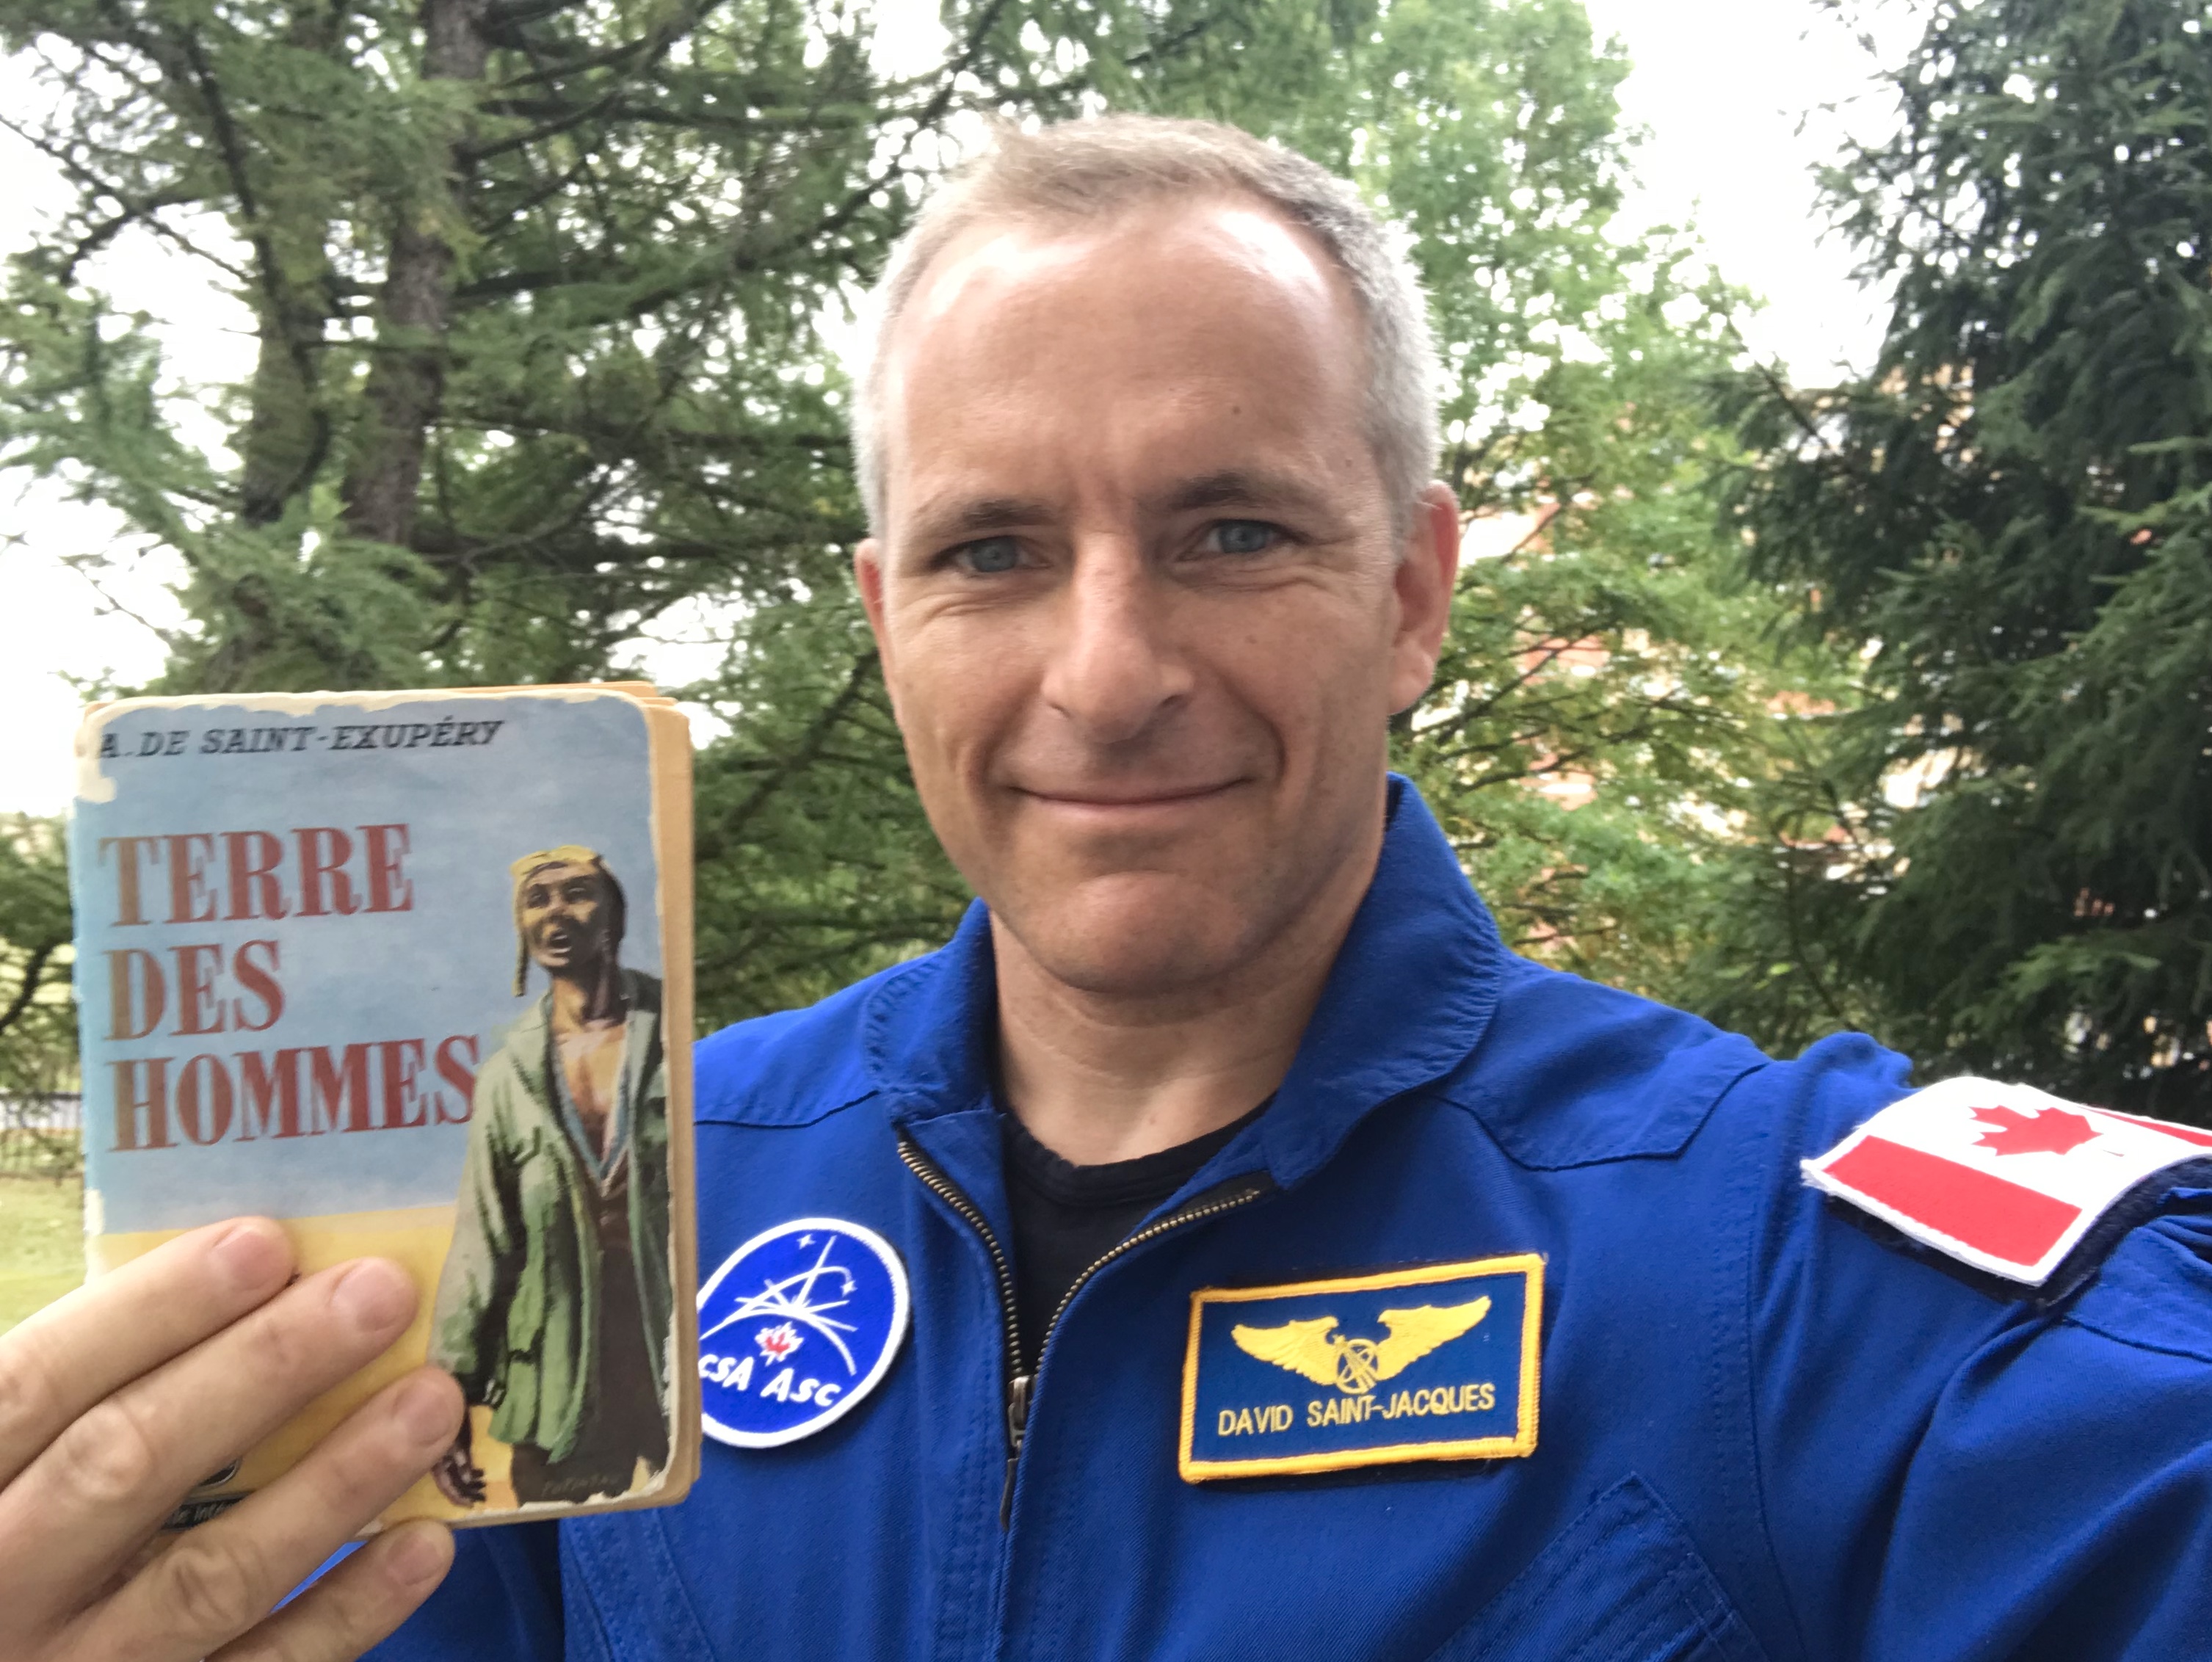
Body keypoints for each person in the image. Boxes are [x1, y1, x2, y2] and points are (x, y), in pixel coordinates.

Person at [7, 112, 2212, 1662]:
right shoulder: (636, 1196)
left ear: (1412, 590)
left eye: (1229, 531)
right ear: (884, 616)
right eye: (989, 550)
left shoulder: (1779, 1268)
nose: (1106, 671)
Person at [426, 846, 675, 1510]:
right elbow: (481, 1245)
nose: (555, 912)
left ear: (614, 916)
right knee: (558, 1550)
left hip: (680, 1362)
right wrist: (447, 1396)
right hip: (554, 1377)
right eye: (537, 900)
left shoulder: (676, 1032)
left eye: (577, 893)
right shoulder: (507, 1077)